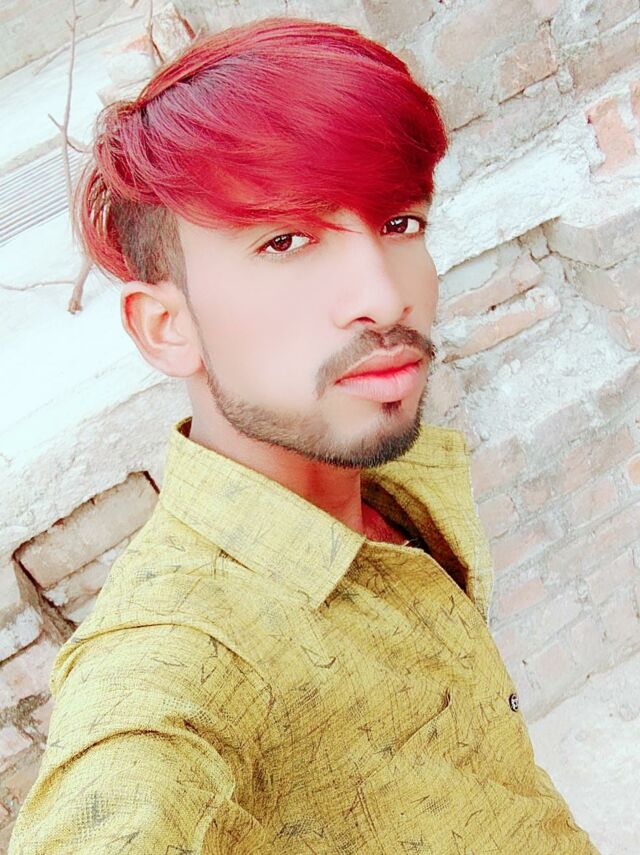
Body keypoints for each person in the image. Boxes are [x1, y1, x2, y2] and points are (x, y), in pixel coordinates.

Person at [9, 15, 599, 855]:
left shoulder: (393, 489)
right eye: (285, 240)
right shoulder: (171, 668)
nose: (383, 295)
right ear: (168, 327)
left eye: (400, 224)